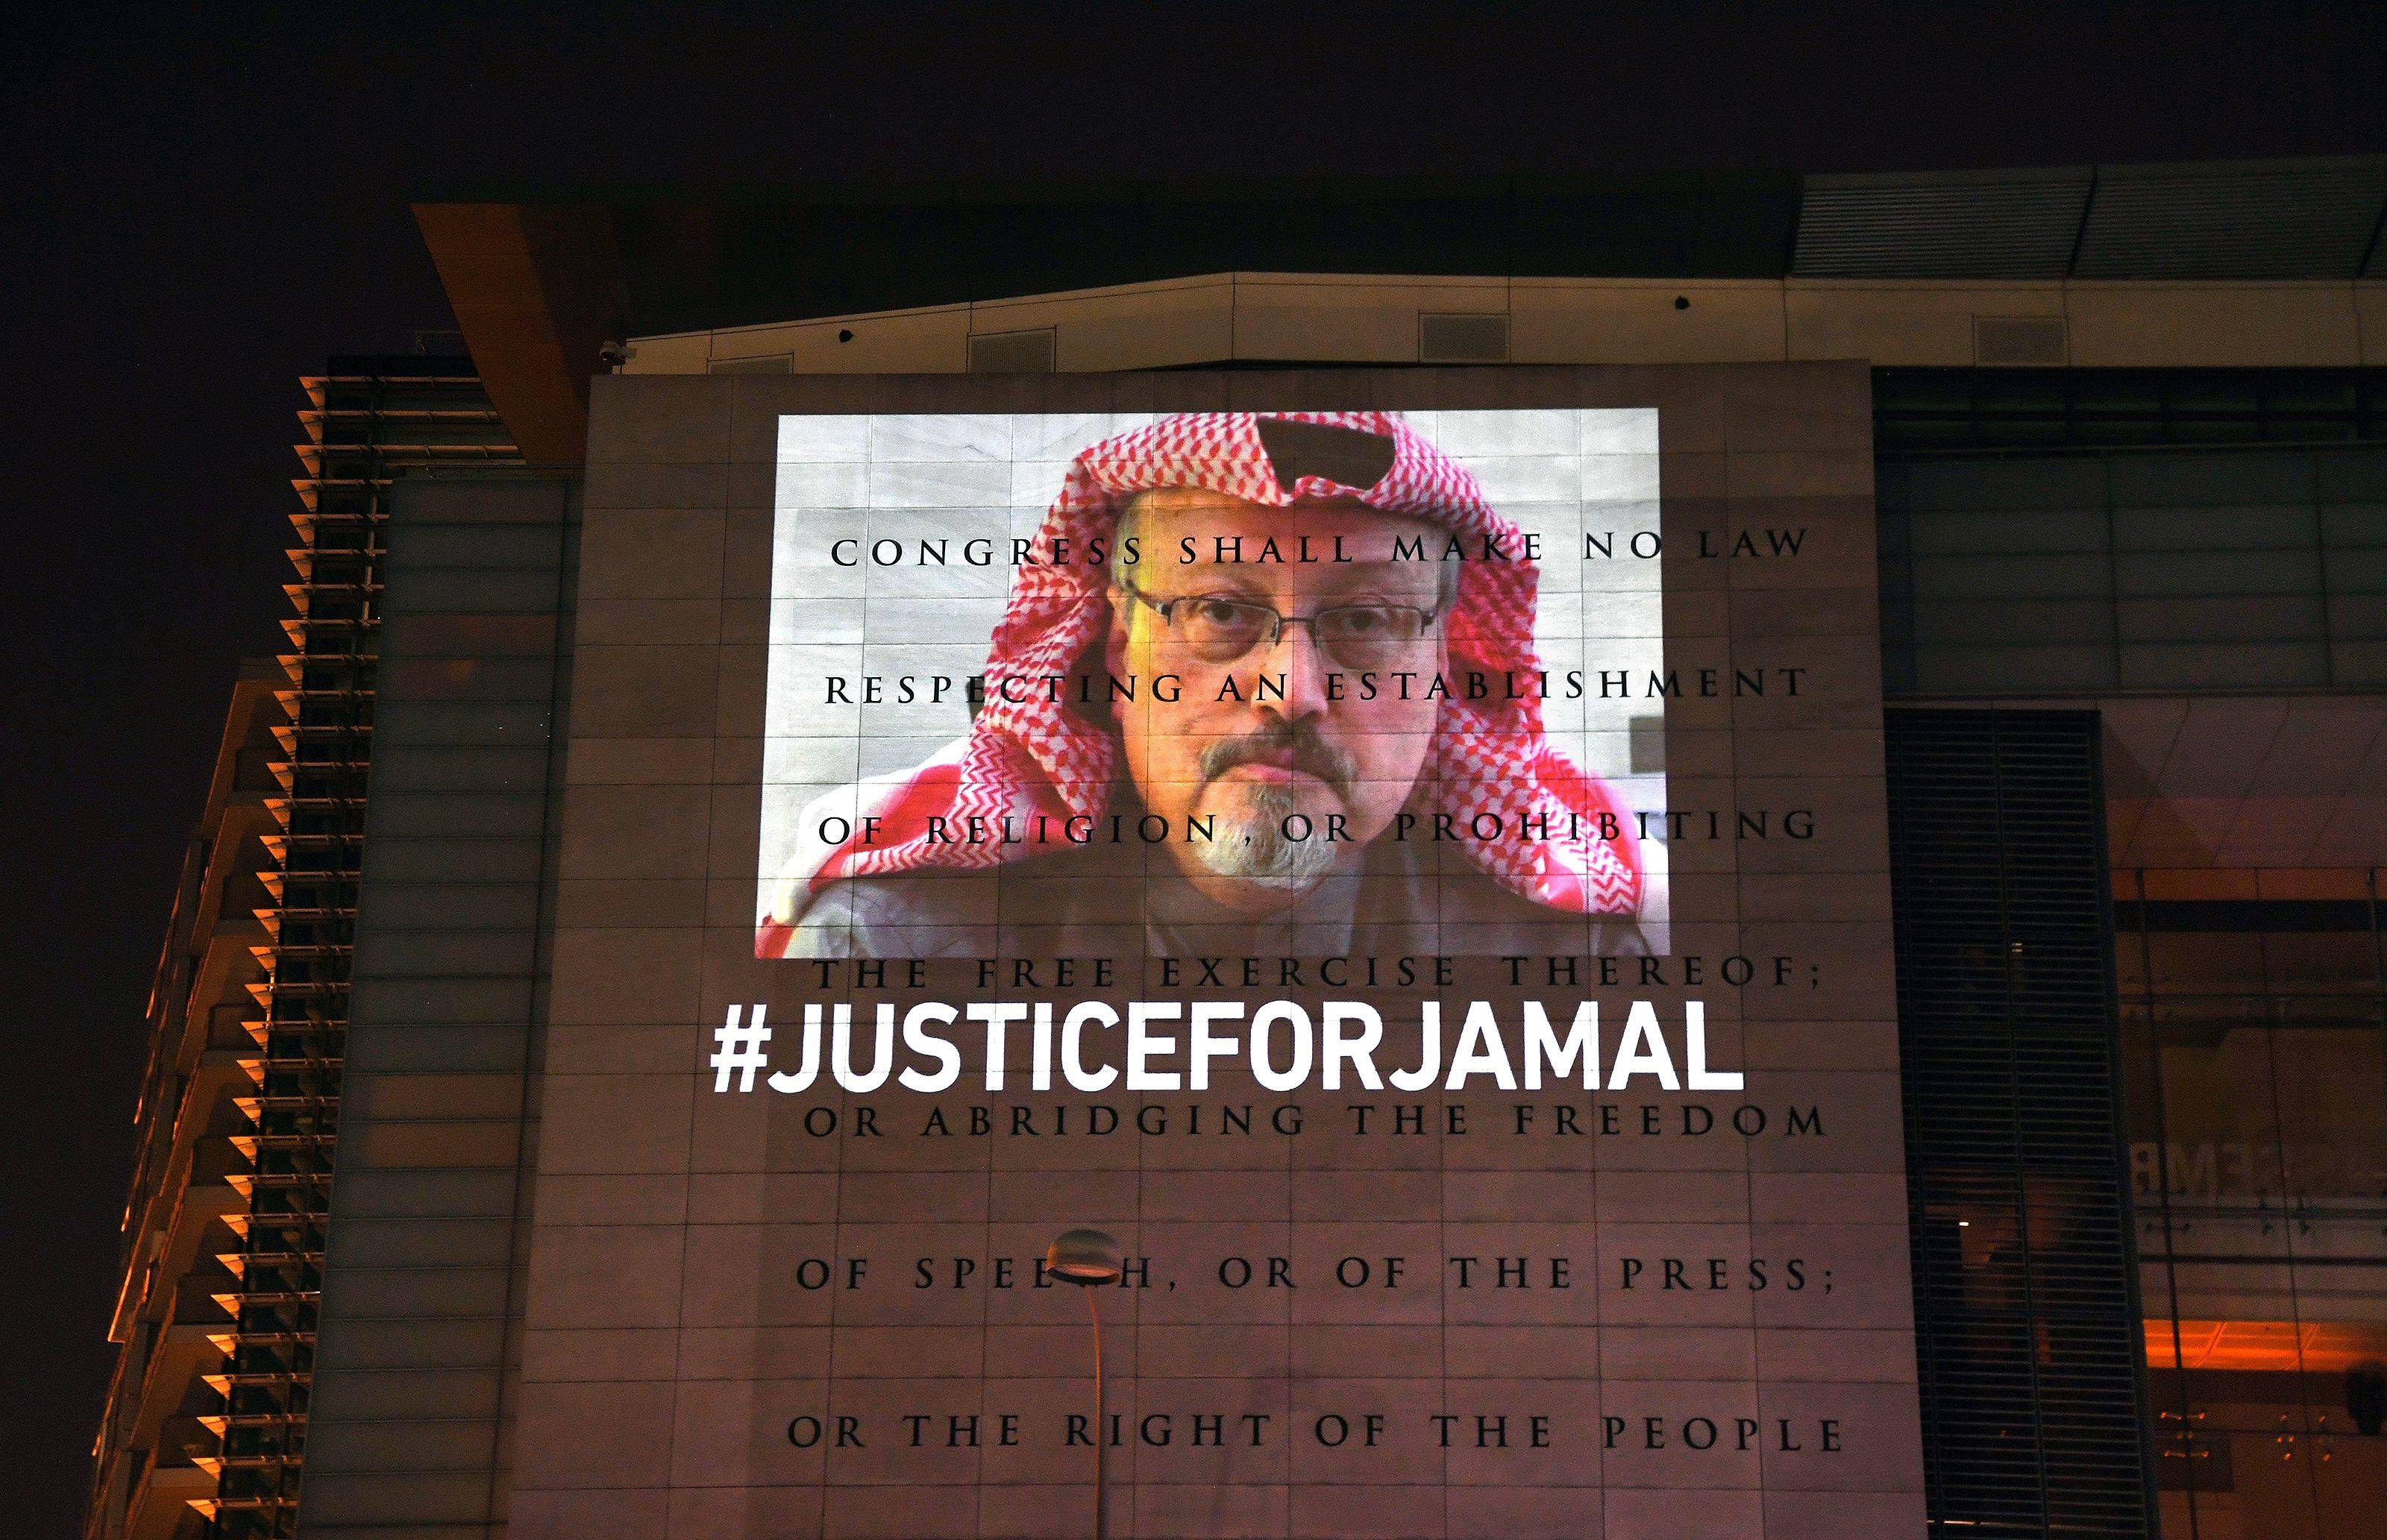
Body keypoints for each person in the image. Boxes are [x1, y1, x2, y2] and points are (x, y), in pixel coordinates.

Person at [757, 411, 1646, 960]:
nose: (1292, 692)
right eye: (1219, 611)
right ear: (1116, 652)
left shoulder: (1571, 960)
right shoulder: (890, 950)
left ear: (1445, 675)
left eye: (1366, 622)